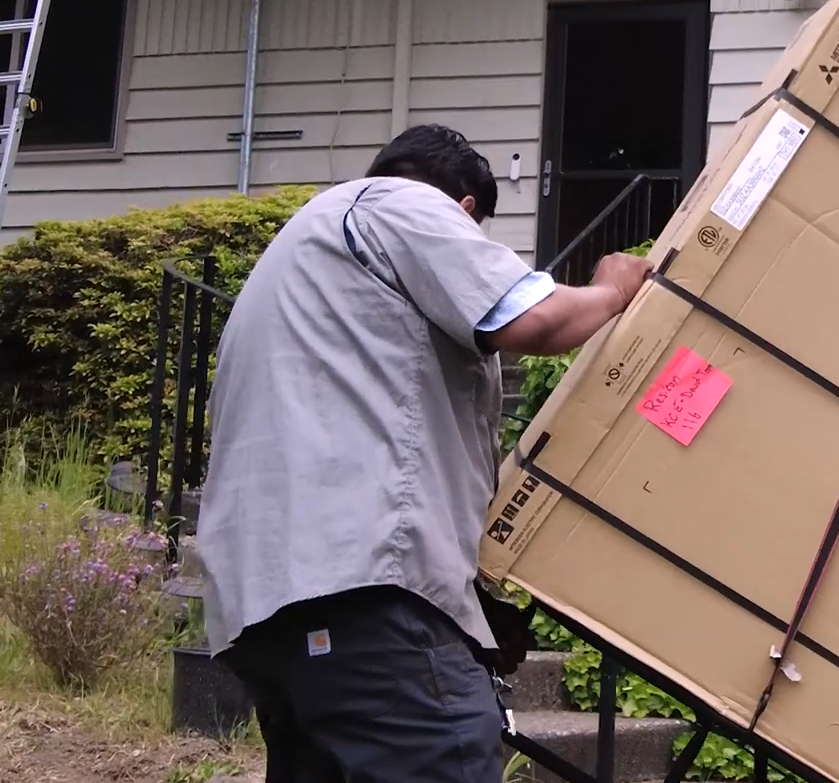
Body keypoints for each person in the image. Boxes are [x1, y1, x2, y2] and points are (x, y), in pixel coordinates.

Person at [197, 124, 655, 783]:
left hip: (271, 613)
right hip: (363, 594)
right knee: (446, 755)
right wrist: (612, 289)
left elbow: (377, 431)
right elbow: (534, 320)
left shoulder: (310, 256)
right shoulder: (400, 205)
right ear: (464, 209)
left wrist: (466, 608)